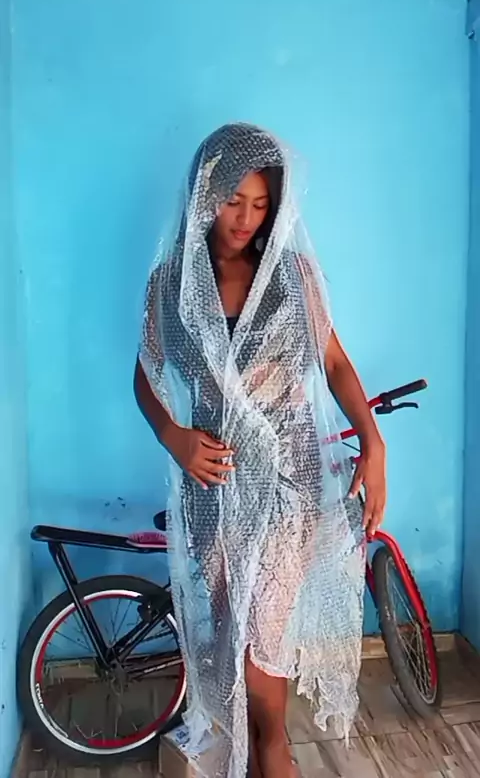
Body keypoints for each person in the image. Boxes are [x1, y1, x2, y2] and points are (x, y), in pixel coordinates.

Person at [134, 123, 386, 778]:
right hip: (213, 481)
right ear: (203, 197)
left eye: (260, 203)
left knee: (259, 632)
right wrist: (173, 436)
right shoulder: (171, 283)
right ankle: (249, 745)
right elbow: (146, 375)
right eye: (232, 200)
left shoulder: (292, 275)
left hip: (286, 480)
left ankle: (274, 753)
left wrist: (373, 439)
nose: (245, 219)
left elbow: (333, 362)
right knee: (228, 625)